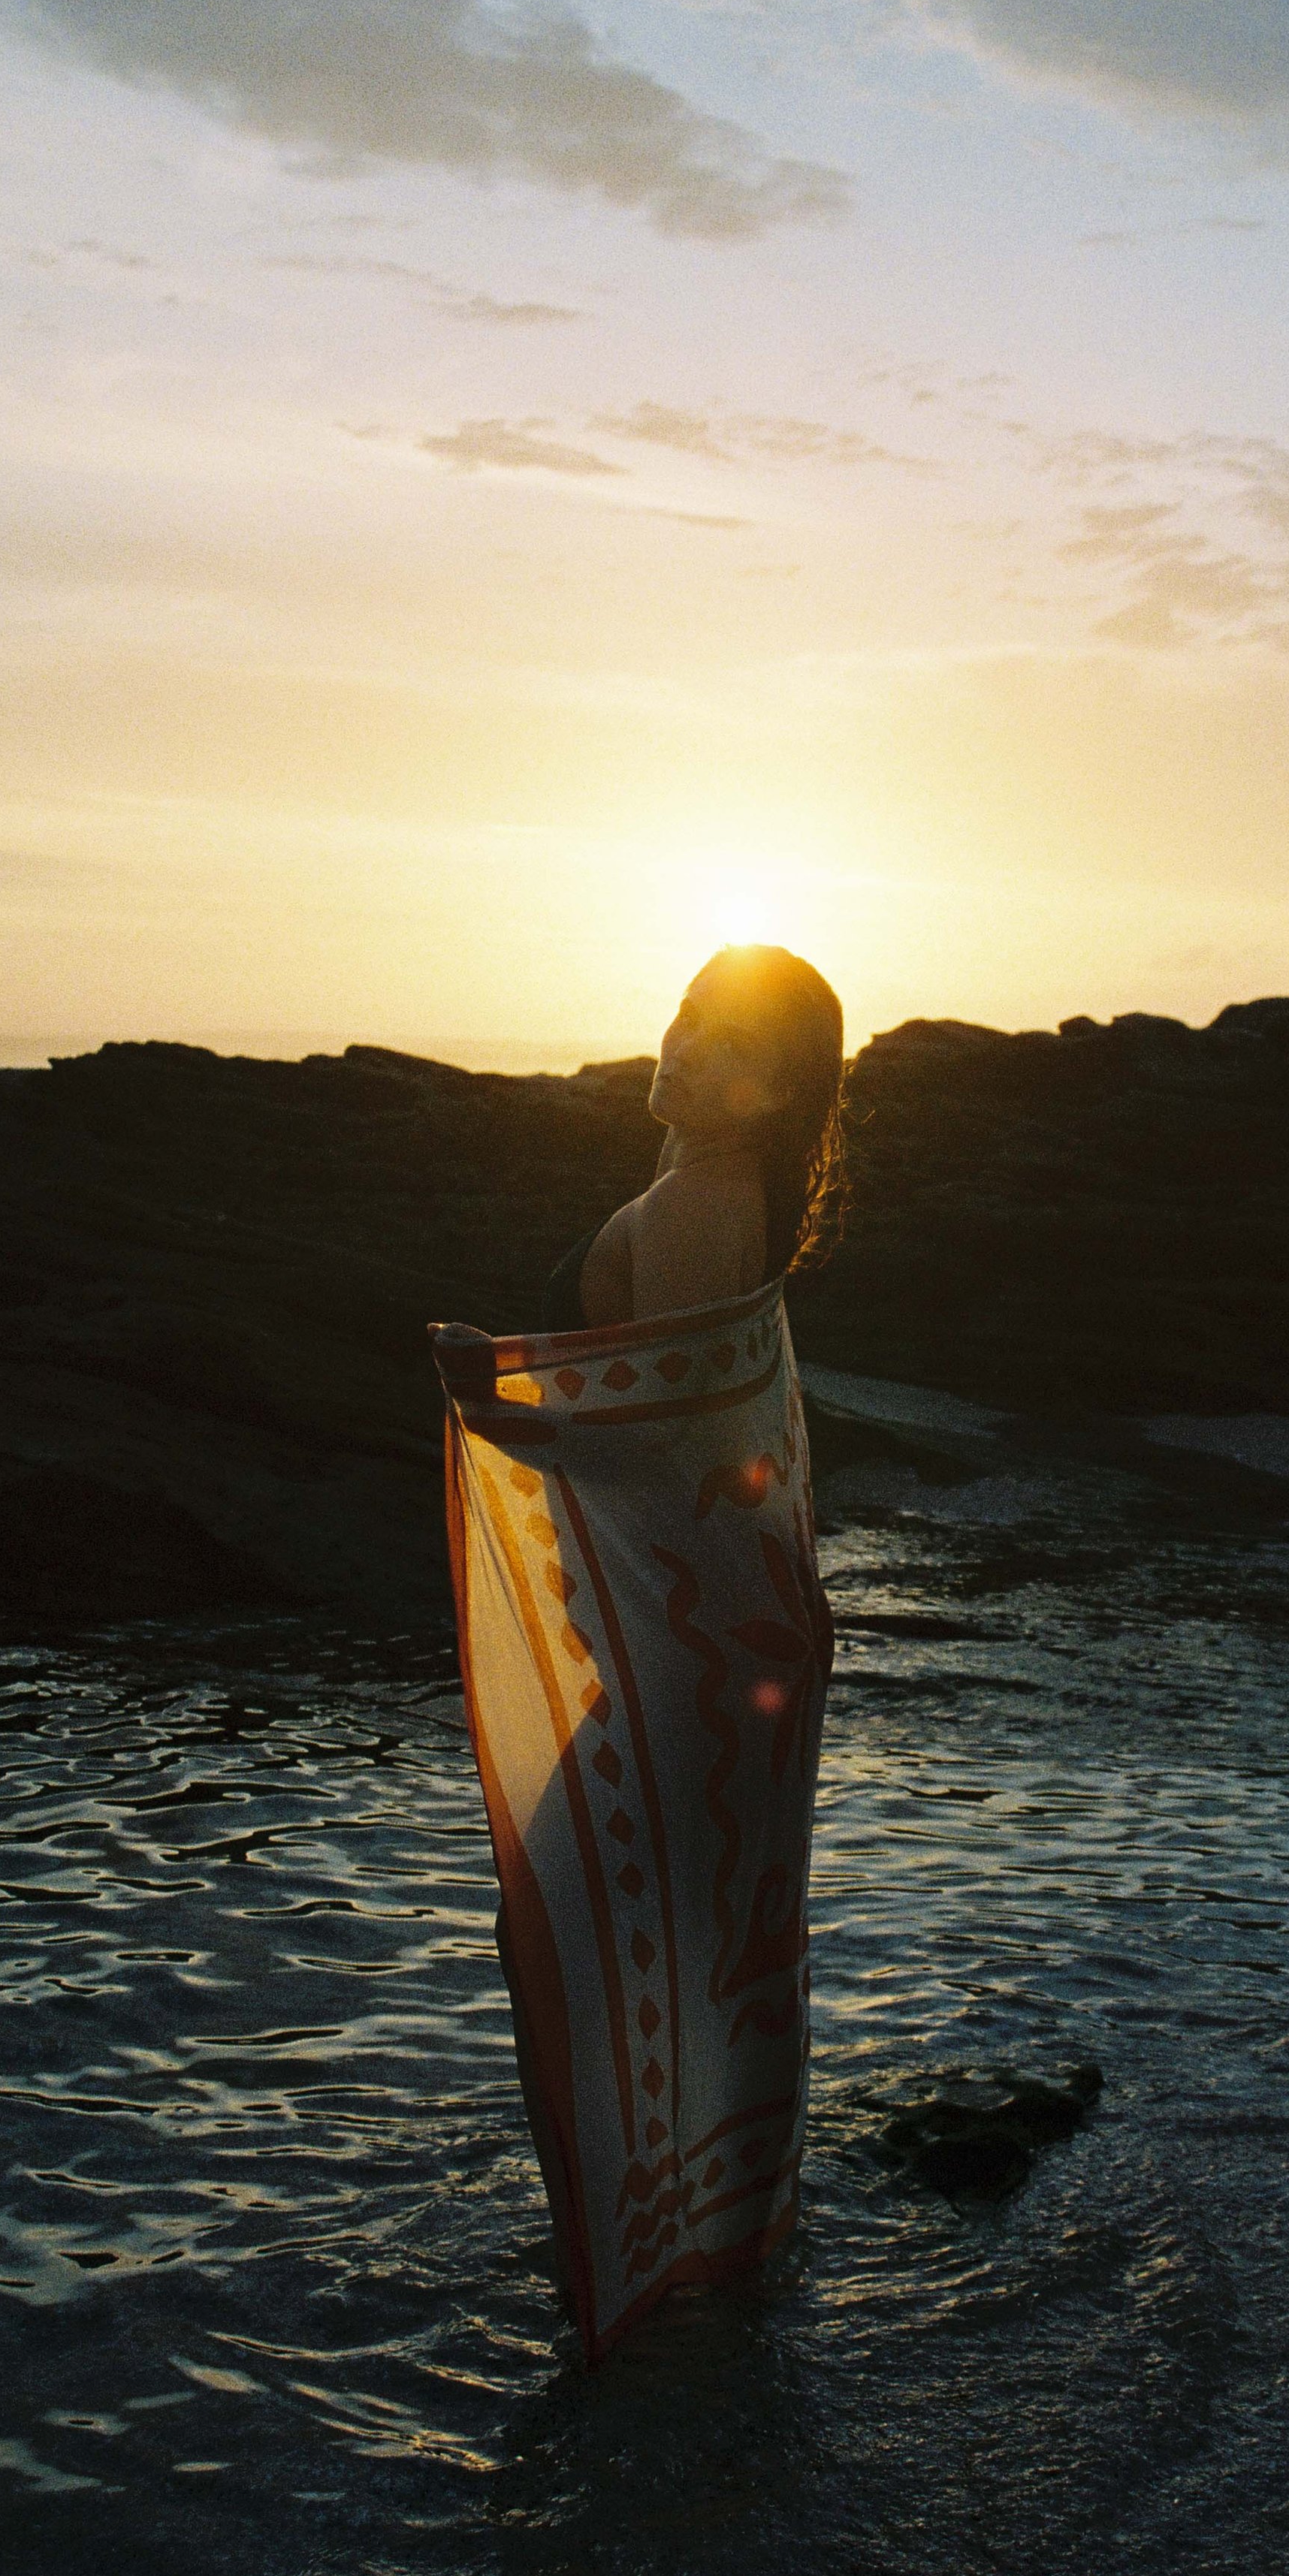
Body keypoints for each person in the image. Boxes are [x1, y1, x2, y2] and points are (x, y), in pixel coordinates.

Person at [433, 941, 845, 2357]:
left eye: (725, 1035)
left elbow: (670, 1445)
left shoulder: (690, 1202)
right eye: (683, 1011)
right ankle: (716, 2262)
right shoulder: (737, 1198)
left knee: (574, 1936)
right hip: (739, 1632)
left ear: (778, 1084)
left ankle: (626, 2275)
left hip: (694, 1642)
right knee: (701, 1939)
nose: (681, 1042)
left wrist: (506, 1403)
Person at [540, 943, 847, 1332]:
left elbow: (673, 1391)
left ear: (781, 1092)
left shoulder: (690, 1208)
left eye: (734, 1044)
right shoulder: (733, 1186)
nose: (686, 1050)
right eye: (690, 1015)